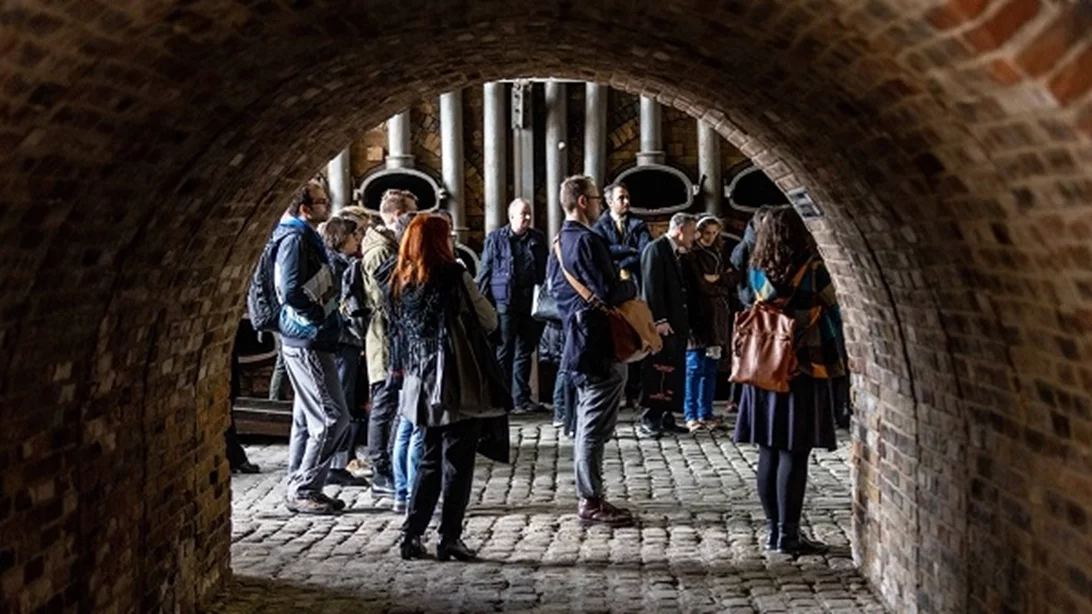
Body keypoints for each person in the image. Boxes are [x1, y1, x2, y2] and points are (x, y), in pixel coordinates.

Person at [389, 214, 503, 561]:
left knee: (427, 459)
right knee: (457, 461)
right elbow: (488, 319)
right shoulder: (453, 275)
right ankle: (449, 537)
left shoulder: (400, 279)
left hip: (419, 382)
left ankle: (411, 534)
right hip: (455, 379)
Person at [733, 207, 845, 556]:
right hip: (803, 370)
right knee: (794, 454)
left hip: (764, 369)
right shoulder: (812, 269)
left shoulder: (756, 271)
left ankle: (772, 531)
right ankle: (789, 536)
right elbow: (833, 303)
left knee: (768, 451)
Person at [548, 175, 636, 527]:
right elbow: (610, 292)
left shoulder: (558, 242)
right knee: (593, 428)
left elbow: (555, 289)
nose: (601, 203)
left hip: (575, 339)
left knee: (587, 421)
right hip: (599, 343)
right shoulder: (588, 240)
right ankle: (590, 500)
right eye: (597, 198)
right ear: (583, 201)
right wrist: (630, 288)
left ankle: (591, 495)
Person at [271, 179, 350, 515]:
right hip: (308, 337)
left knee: (306, 419)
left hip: (307, 335)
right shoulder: (295, 238)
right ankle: (305, 488)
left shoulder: (302, 236)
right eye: (321, 202)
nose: (327, 206)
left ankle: (298, 483)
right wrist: (317, 314)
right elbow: (290, 290)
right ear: (305, 208)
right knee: (333, 417)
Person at [360, 189, 418, 498]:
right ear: (398, 216)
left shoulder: (387, 246)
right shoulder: (382, 251)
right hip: (384, 338)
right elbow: (389, 298)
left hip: (390, 336)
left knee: (390, 402)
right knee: (383, 402)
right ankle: (380, 469)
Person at [477, 199, 547, 413]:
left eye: (529, 214)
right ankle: (500, 397)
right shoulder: (495, 239)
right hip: (505, 303)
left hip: (530, 303)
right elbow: (486, 271)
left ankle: (521, 398)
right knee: (504, 350)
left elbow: (545, 268)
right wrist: (481, 303)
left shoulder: (537, 238)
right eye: (523, 214)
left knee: (525, 350)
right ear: (511, 217)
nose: (527, 218)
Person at [320, 217, 370, 486]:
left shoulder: (342, 264)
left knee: (346, 401)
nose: (358, 241)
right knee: (341, 402)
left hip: (344, 342)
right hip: (342, 342)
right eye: (354, 236)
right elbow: (344, 304)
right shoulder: (339, 267)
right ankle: (336, 464)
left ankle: (342, 460)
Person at [637, 212, 697, 438]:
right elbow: (652, 287)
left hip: (677, 323)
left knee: (673, 370)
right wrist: (659, 320)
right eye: (691, 232)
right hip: (663, 325)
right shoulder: (656, 250)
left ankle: (667, 415)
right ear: (680, 230)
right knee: (659, 370)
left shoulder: (677, 253)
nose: (694, 238)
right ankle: (650, 416)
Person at [592, 183, 651, 408]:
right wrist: (629, 251)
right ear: (609, 202)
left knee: (635, 337)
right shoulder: (600, 226)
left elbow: (645, 251)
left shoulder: (638, 224)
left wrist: (621, 256)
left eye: (627, 197)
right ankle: (619, 391)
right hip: (612, 291)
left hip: (633, 288)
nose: (626, 202)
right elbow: (603, 252)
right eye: (621, 198)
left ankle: (635, 392)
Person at [682, 216, 736, 432]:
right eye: (707, 233)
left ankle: (706, 412)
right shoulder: (691, 256)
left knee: (711, 367)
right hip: (699, 316)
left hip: (718, 317)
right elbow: (700, 284)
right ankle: (691, 413)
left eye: (715, 233)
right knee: (694, 367)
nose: (711, 238)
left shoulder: (720, 254)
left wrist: (719, 279)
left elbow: (734, 277)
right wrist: (721, 281)